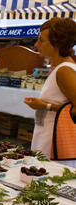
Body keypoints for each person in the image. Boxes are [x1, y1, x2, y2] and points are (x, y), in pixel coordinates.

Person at [24, 17, 76, 167]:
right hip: (49, 139)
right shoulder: (61, 68)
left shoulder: (64, 70)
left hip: (56, 144)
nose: (36, 44)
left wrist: (45, 106)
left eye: (42, 40)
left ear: (57, 44)